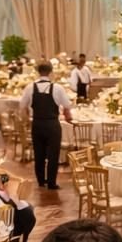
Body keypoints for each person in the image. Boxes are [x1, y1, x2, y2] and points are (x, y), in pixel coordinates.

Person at [20, 61, 74, 190]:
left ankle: (40, 181)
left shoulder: (30, 87)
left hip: (37, 124)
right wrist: (68, 117)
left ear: (38, 71)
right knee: (53, 155)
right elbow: (67, 106)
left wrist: (27, 120)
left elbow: (22, 106)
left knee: (38, 154)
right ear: (50, 72)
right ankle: (51, 182)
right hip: (52, 125)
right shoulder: (58, 88)